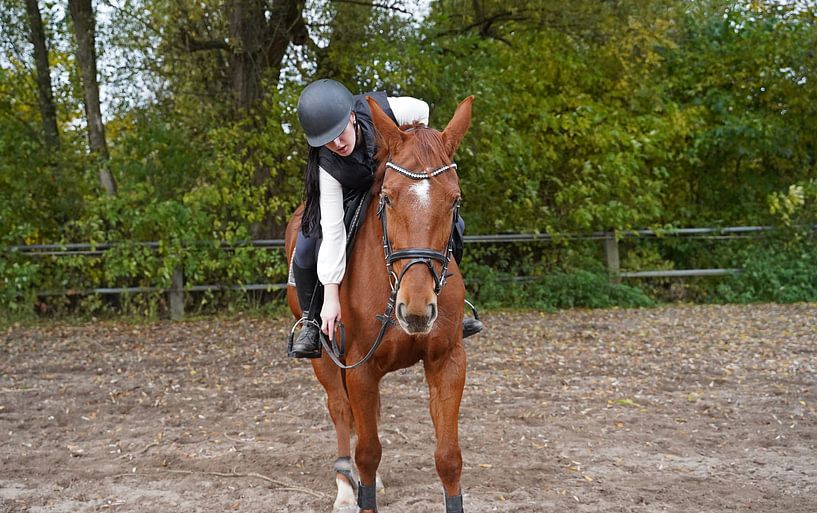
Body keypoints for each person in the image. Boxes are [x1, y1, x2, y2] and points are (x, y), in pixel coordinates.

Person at [289, 79, 483, 358]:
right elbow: (333, 233)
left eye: (340, 132)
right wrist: (331, 298)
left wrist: (408, 156)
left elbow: (423, 112)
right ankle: (310, 321)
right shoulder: (327, 165)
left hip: (395, 182)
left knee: (455, 224)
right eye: (327, 141)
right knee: (306, 248)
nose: (337, 143)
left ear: (352, 117)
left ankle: (449, 299)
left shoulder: (394, 109)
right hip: (349, 190)